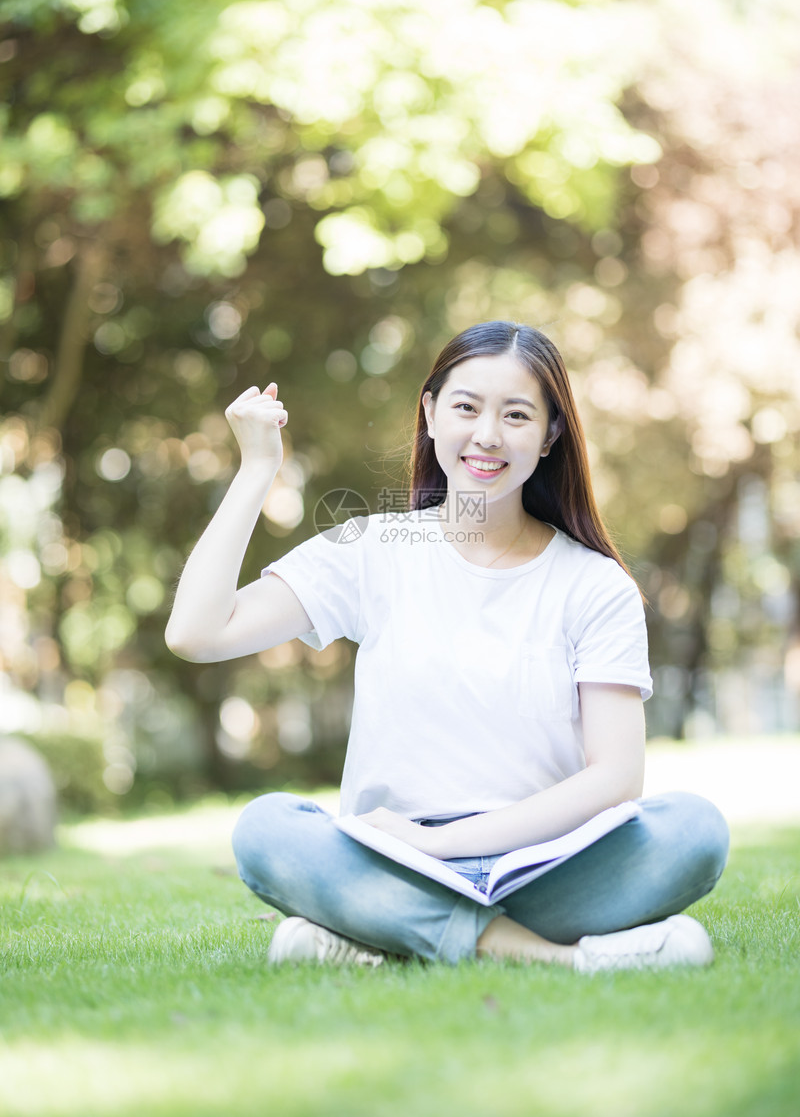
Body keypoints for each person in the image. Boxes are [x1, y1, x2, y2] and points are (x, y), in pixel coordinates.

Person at [166, 320, 729, 972]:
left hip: (543, 863)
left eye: (517, 415)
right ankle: (552, 957)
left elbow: (616, 777)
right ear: (430, 414)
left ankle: (378, 935)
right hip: (392, 855)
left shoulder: (594, 585)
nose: (487, 435)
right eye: (466, 407)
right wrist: (257, 469)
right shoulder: (371, 550)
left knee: (694, 830)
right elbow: (196, 633)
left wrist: (449, 846)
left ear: (549, 437)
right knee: (267, 832)